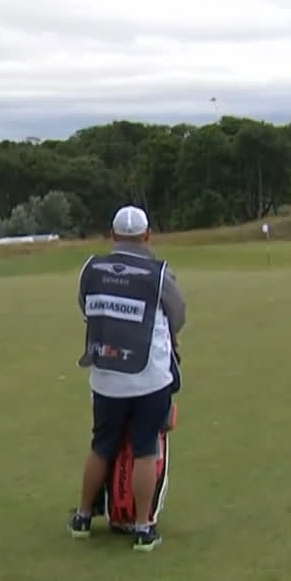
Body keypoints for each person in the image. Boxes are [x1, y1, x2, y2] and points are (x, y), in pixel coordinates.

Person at [67, 205, 186, 552]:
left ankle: (84, 517)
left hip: (105, 372)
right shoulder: (159, 272)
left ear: (113, 235)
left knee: (102, 444)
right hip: (149, 375)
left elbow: (85, 305)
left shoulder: (91, 268)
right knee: (146, 447)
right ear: (147, 236)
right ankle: (142, 527)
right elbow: (178, 314)